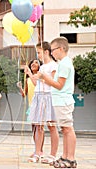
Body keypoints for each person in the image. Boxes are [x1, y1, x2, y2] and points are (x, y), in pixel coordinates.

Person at [37, 37, 77, 168]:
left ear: (61, 49)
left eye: (53, 50)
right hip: (60, 101)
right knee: (64, 129)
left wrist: (45, 77)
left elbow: (59, 85)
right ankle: (65, 156)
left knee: (67, 129)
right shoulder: (63, 63)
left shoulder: (65, 64)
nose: (52, 53)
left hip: (63, 100)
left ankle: (70, 158)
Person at [27, 42, 59, 164]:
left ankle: (52, 154)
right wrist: (33, 76)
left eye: (39, 52)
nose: (38, 55)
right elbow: (38, 84)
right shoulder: (42, 67)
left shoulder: (53, 65)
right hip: (38, 96)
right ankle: (38, 152)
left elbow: (54, 83)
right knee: (38, 126)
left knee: (51, 126)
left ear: (46, 52)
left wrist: (41, 77)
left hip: (48, 97)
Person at [17, 59, 43, 158]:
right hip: (31, 106)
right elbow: (24, 94)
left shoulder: (40, 76)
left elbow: (37, 84)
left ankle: (40, 151)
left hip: (40, 105)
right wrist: (20, 87)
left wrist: (29, 73)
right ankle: (37, 150)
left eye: (36, 62)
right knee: (34, 129)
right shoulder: (28, 79)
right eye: (32, 62)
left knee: (39, 128)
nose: (33, 64)